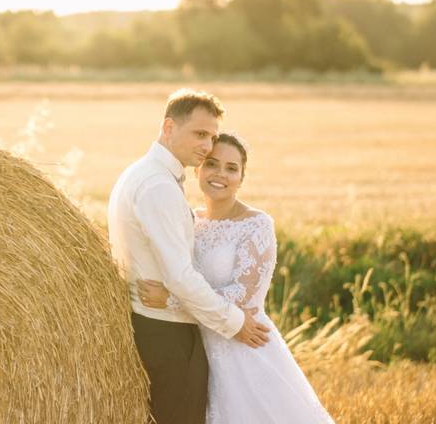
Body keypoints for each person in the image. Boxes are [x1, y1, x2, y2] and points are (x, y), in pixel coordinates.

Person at [138, 133, 334, 424]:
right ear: (198, 170)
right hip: (198, 350)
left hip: (244, 348)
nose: (220, 174)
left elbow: (242, 297)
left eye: (231, 168)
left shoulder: (257, 225)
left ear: (242, 177)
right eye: (212, 164)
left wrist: (170, 299)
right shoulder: (190, 220)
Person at [107, 89, 271, 424]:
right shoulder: (158, 186)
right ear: (168, 127)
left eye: (211, 136)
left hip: (161, 327)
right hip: (169, 336)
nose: (206, 145)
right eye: (199, 134)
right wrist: (235, 322)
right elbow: (180, 276)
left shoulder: (143, 174)